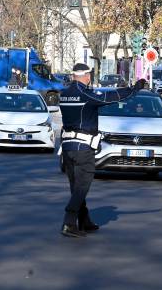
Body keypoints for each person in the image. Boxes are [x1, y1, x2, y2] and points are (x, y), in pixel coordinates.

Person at [59, 63, 146, 238]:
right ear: (86, 76)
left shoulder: (64, 94)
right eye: (90, 74)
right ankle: (69, 222)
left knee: (76, 187)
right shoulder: (85, 94)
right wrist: (134, 88)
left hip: (67, 147)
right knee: (82, 186)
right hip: (82, 147)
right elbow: (110, 97)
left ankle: (84, 220)